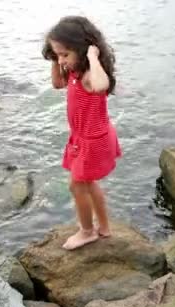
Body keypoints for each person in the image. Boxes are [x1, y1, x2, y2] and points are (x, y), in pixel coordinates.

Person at [42, 16, 121, 250]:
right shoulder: (74, 72)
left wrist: (93, 58)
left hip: (93, 140)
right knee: (89, 183)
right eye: (57, 54)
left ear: (83, 50)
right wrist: (55, 59)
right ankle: (104, 227)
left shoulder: (89, 75)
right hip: (83, 137)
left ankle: (87, 231)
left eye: (65, 54)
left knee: (76, 186)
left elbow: (101, 85)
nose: (61, 60)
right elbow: (57, 84)